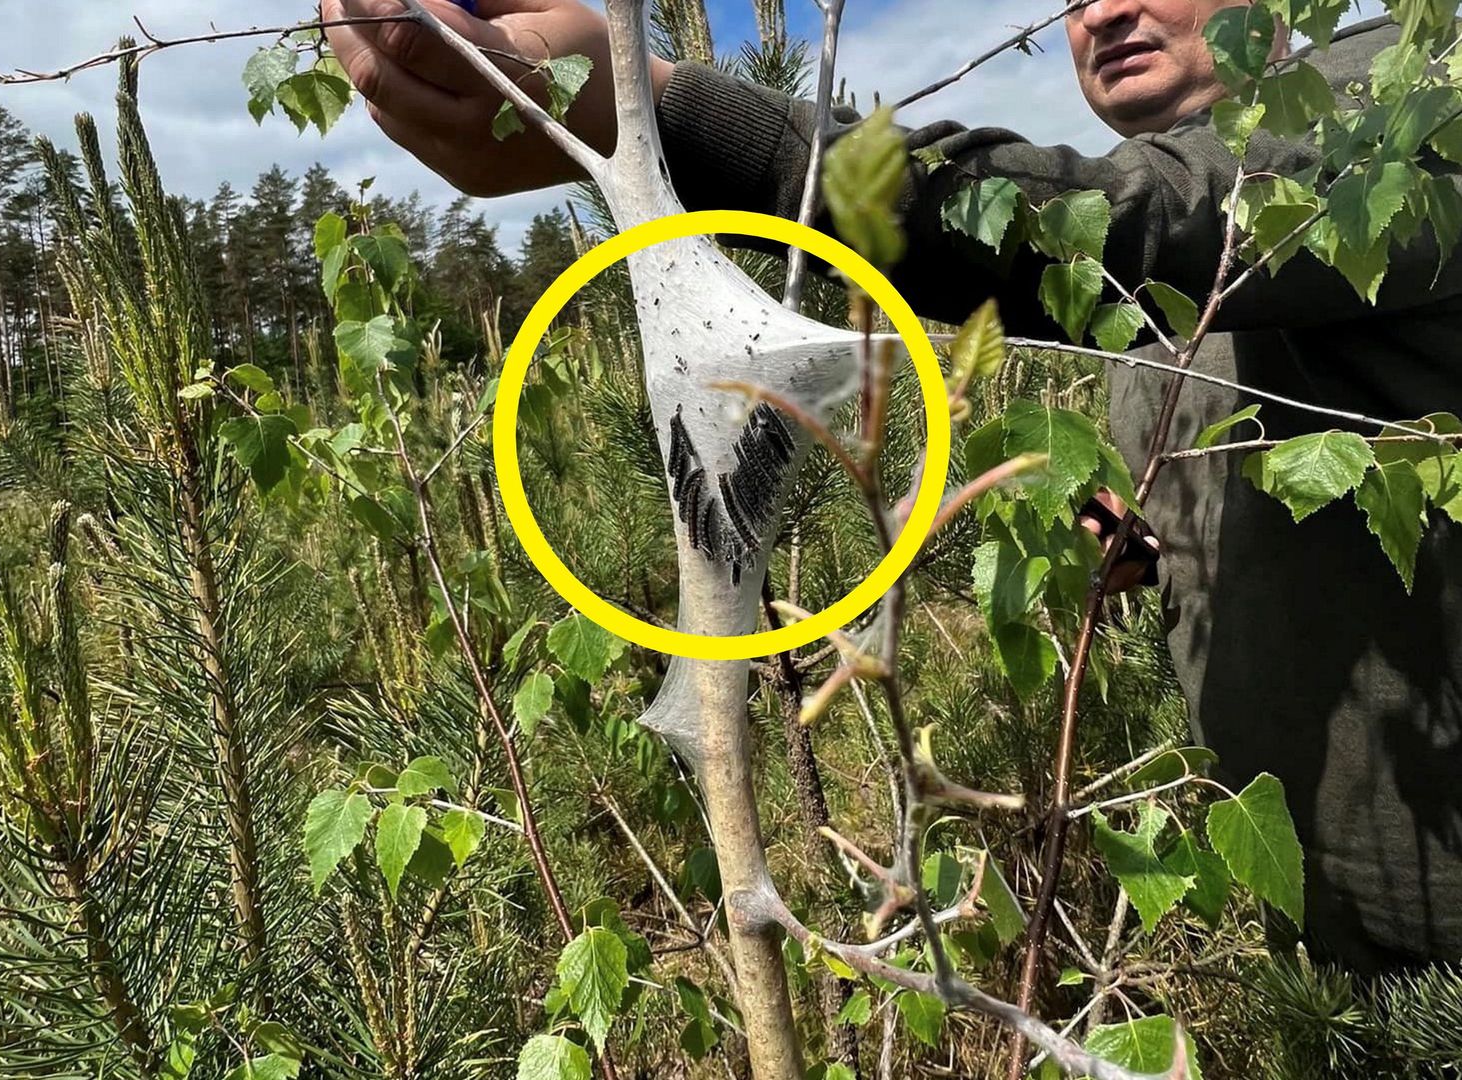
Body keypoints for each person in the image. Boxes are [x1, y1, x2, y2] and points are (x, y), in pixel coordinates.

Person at [323, 0, 1462, 975]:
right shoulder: (1186, 270)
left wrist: (662, 109)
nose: (1100, 13)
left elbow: (1114, 226)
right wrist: (1155, 536)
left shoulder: (1410, 96)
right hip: (1314, 917)